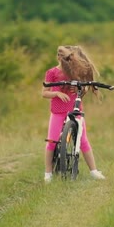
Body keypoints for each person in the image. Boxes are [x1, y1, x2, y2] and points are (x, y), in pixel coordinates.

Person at [41, 45, 106, 183]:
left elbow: (85, 88)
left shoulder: (76, 72)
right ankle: (48, 173)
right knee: (52, 141)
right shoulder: (52, 72)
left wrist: (80, 89)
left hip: (75, 110)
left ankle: (94, 171)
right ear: (58, 57)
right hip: (58, 111)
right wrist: (56, 93)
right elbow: (44, 93)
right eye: (64, 58)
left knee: (83, 141)